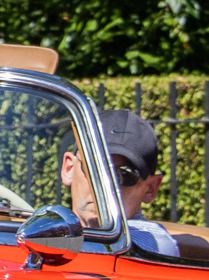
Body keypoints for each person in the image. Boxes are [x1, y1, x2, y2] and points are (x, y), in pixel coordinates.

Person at [60, 109, 178, 257]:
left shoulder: (152, 241)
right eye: (94, 169)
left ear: (150, 189)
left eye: (125, 175)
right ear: (69, 168)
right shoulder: (49, 228)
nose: (106, 184)